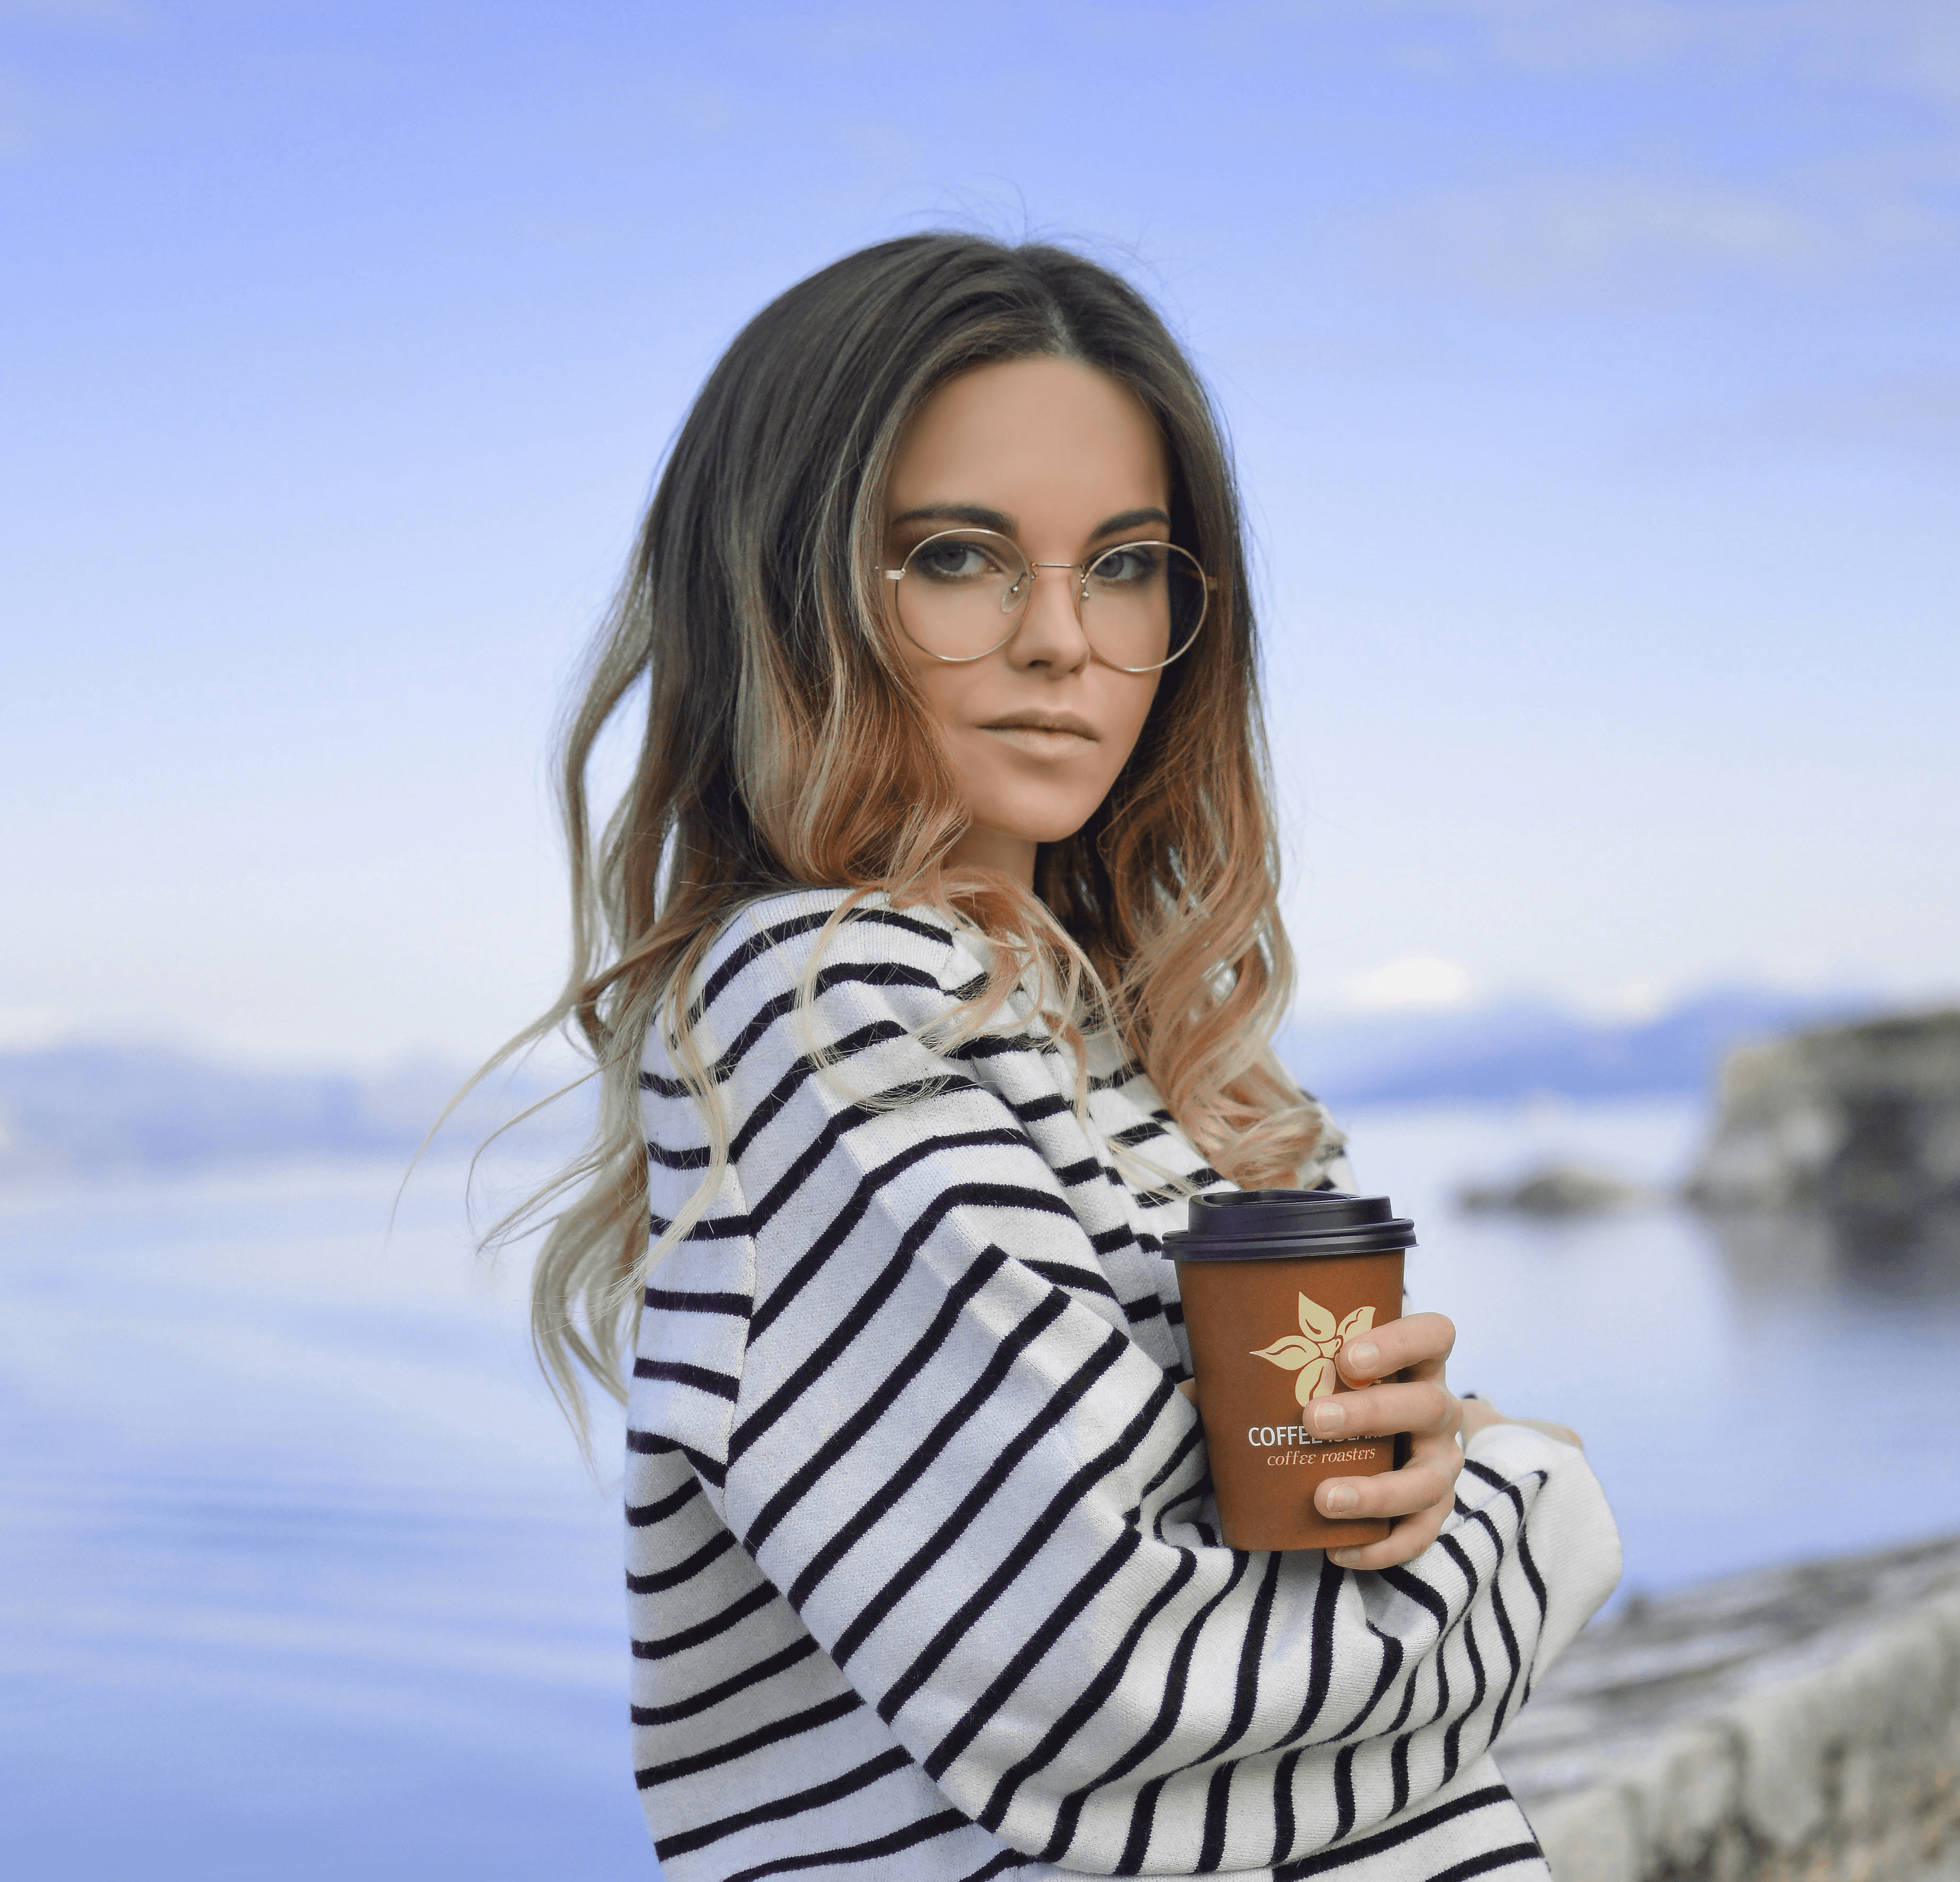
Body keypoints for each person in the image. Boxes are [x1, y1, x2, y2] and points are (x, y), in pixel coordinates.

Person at [505, 233, 1622, 1878]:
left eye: (1124, 563)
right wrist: (1545, 1501)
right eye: (957, 557)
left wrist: (1419, 1476)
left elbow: (1248, 1587)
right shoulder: (826, 1003)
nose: (1059, 637)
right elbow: (1127, 1692)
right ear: (786, 594)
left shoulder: (1123, 1031)